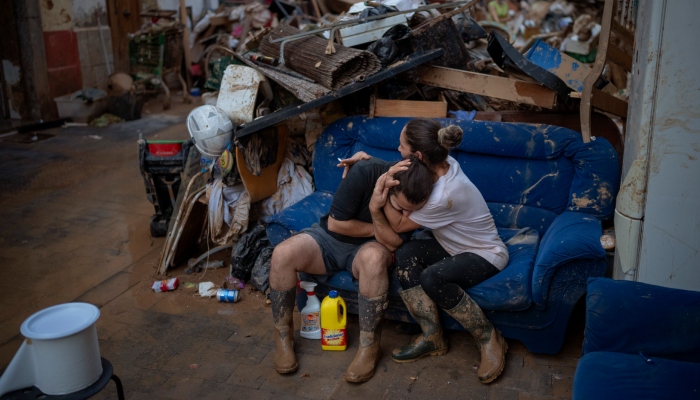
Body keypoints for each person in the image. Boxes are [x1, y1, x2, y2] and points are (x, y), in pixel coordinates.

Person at [341, 117, 509, 384]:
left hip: (485, 252)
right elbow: (402, 171)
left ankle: (489, 337)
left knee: (432, 277)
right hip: (451, 245)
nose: (397, 150)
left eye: (401, 146)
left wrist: (379, 191)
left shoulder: (443, 195)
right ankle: (432, 336)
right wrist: (367, 163)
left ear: (417, 155)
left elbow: (396, 225)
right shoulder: (442, 162)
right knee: (406, 256)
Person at [269, 155, 432, 383]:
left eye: (412, 213)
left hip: (369, 249)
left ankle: (369, 347)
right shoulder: (365, 172)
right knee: (282, 254)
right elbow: (336, 224)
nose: (405, 218)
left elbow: (393, 243)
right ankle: (283, 337)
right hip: (329, 237)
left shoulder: (422, 193)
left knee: (374, 258)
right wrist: (380, 229)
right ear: (387, 185)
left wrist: (378, 216)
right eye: (399, 208)